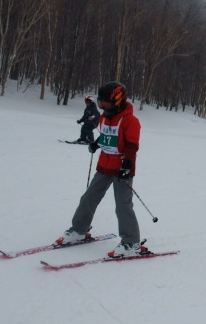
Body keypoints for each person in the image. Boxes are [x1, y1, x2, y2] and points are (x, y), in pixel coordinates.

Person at [56, 82, 147, 257]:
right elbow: (106, 134)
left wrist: (127, 166)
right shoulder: (104, 117)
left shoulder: (130, 120)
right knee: (89, 198)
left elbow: (132, 146)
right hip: (104, 165)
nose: (104, 107)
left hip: (122, 169)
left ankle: (131, 243)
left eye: (107, 104)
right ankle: (78, 230)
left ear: (119, 101)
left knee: (123, 206)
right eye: (101, 104)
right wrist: (97, 143)